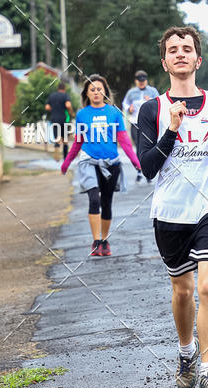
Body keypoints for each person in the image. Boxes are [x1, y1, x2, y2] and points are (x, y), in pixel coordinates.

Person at [137, 25, 208, 388]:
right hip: (171, 210)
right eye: (173, 50)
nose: (180, 54)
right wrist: (172, 130)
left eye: (187, 49)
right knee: (182, 292)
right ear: (164, 61)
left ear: (198, 59)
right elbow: (147, 167)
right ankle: (186, 353)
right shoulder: (151, 110)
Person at [61, 74, 142, 257]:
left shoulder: (113, 113)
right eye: (92, 90)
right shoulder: (82, 114)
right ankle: (96, 240)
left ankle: (104, 240)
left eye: (99, 89)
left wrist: (135, 162)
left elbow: (124, 140)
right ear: (87, 94)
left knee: (106, 202)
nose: (96, 93)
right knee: (94, 199)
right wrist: (66, 163)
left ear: (104, 92)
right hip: (89, 162)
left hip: (111, 163)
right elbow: (78, 142)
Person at [122, 70, 159, 180]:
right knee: (139, 146)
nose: (142, 83)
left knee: (150, 145)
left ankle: (149, 170)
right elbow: (125, 103)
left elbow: (160, 102)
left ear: (146, 81)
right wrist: (129, 108)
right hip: (135, 122)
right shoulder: (131, 92)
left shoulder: (152, 91)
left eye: (143, 81)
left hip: (149, 123)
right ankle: (139, 170)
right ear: (136, 81)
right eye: (139, 81)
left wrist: (151, 101)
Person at [45, 81, 74, 161]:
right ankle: (65, 158)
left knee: (57, 138)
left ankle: (57, 153)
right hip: (63, 120)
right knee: (65, 139)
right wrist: (71, 112)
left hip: (54, 119)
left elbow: (47, 107)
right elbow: (68, 105)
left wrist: (54, 109)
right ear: (64, 89)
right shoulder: (65, 95)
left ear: (58, 88)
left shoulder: (52, 96)